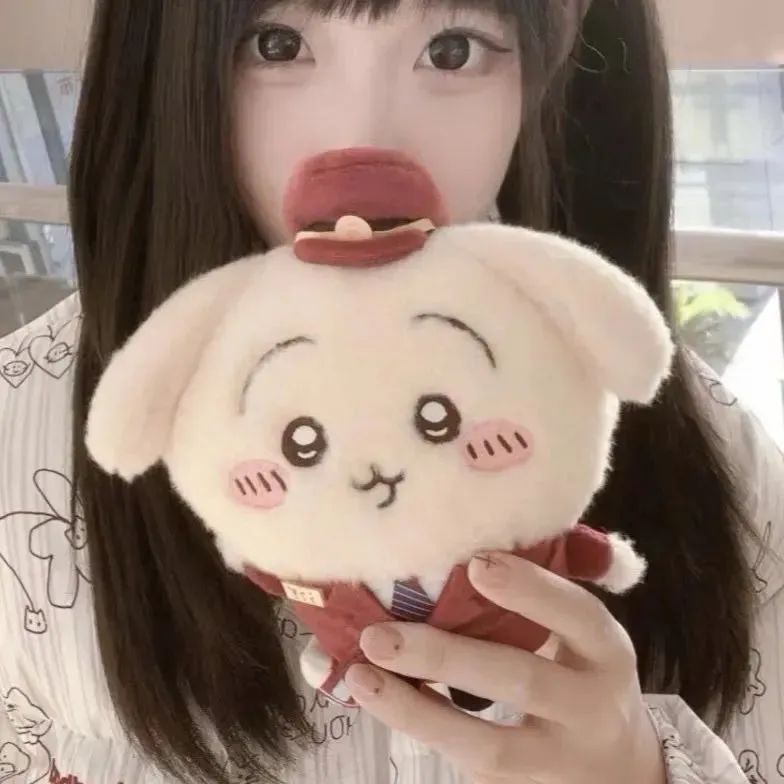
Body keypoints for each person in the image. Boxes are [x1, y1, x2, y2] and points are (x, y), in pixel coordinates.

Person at [0, 0, 781, 782]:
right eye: (277, 44)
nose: (361, 143)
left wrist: (642, 772)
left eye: (453, 49)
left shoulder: (710, 455)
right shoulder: (17, 440)